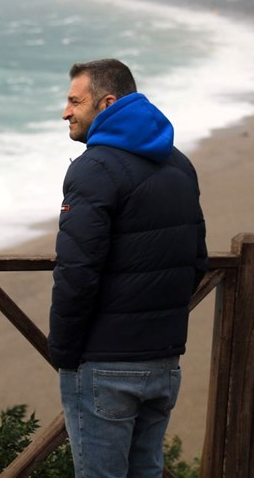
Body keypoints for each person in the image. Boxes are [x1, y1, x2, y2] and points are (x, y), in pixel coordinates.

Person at [49, 58, 208, 478]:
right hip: (163, 362)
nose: (65, 111)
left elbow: (76, 273)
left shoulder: (94, 168)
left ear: (107, 102)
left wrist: (64, 353)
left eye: (74, 101)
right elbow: (197, 261)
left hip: (105, 362)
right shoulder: (179, 164)